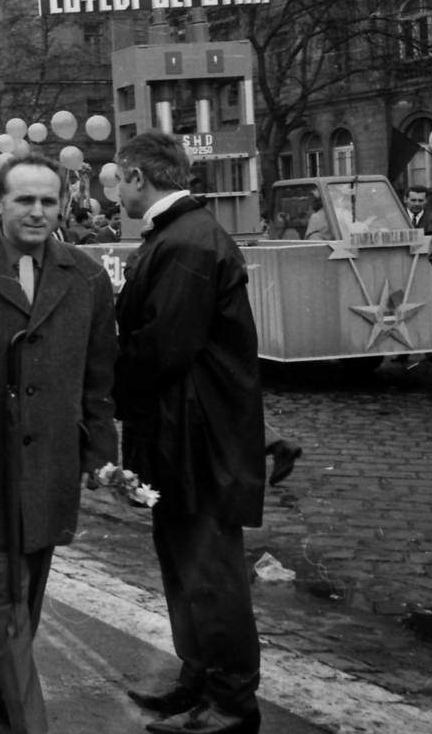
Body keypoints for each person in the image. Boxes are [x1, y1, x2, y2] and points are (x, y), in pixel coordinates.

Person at [0, 157, 118, 734]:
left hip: (51, 460)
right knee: (4, 588)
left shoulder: (86, 274)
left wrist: (99, 454)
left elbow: (99, 377)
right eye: (24, 200)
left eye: (49, 200)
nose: (38, 211)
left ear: (64, 203)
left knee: (31, 585)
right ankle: (28, 719)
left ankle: (3, 679)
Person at [115, 130, 265, 734]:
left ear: (136, 176)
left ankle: (230, 702)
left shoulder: (187, 241)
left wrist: (108, 392)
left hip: (196, 435)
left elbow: (163, 345)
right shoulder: (181, 235)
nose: (115, 190)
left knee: (209, 571)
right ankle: (198, 681)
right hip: (183, 429)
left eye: (117, 179)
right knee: (183, 562)